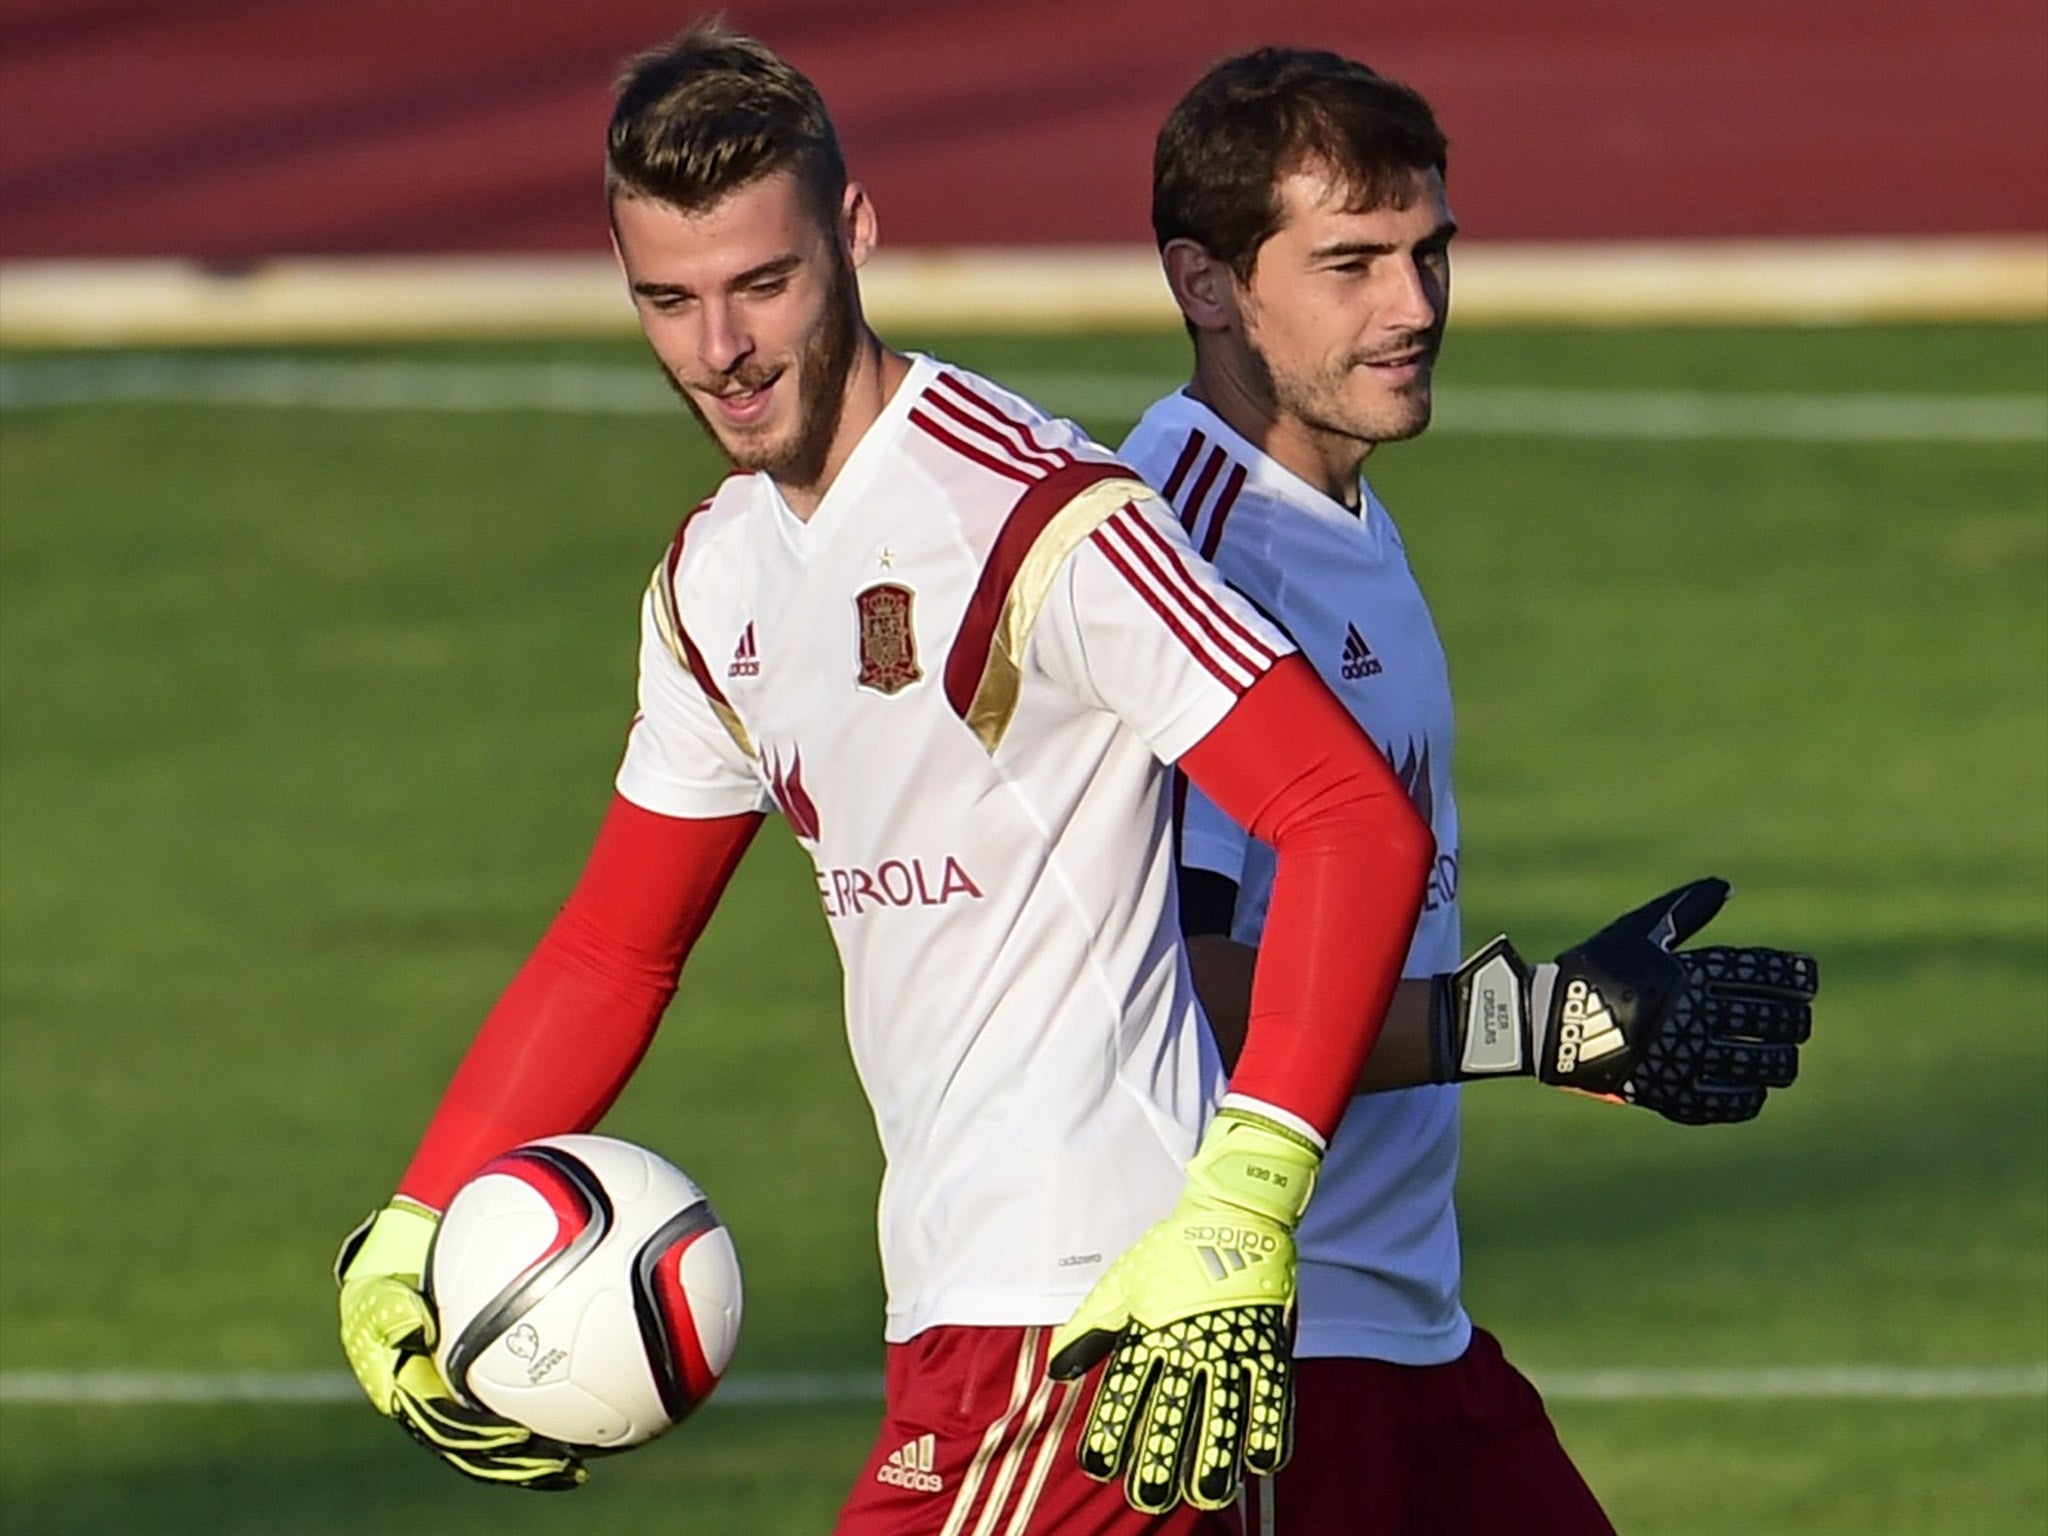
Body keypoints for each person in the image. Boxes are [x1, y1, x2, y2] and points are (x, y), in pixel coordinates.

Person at [333, 23, 1440, 1534]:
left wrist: (1246, 1196)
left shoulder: (1041, 518)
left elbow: (1344, 820)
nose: (719, 349)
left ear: (853, 236)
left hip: (1086, 1322)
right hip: (956, 1321)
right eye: (669, 299)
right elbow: (615, 947)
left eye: (762, 285)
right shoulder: (718, 583)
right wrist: (419, 1213)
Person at [1117, 48, 1821, 1535]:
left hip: (1406, 1328)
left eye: (1429, 252)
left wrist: (1552, 1032)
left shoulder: (1336, 516)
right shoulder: (1186, 558)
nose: (1417, 307)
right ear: (1206, 282)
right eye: (1353, 263)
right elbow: (1174, 986)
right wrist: (1525, 1020)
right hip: (1265, 1357)